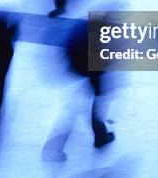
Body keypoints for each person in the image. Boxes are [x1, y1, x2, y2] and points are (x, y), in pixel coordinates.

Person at [42, 21, 114, 162]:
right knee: (86, 109)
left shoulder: (85, 27)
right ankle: (100, 137)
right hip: (87, 69)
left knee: (74, 110)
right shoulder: (101, 41)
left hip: (78, 67)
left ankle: (52, 148)